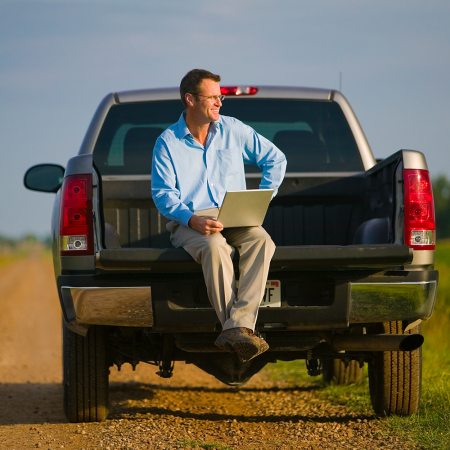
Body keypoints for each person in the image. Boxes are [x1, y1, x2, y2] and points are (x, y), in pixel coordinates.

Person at [151, 69, 286, 363]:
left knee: (262, 241)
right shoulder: (167, 143)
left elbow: (276, 159)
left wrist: (262, 196)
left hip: (234, 214)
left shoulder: (233, 129)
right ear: (190, 100)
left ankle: (237, 327)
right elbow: (163, 194)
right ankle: (238, 332)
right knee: (215, 247)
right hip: (189, 220)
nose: (219, 103)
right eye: (212, 97)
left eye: (220, 97)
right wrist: (192, 219)